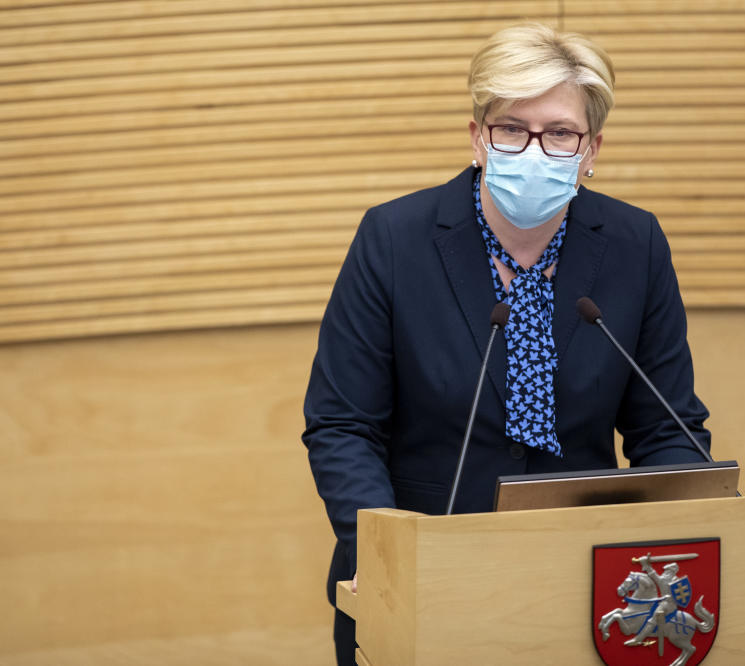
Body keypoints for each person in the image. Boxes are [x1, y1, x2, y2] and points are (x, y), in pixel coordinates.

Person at [302, 23, 711, 665]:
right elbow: (342, 424)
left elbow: (666, 427)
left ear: (591, 148)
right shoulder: (394, 238)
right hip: (423, 581)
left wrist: (670, 542)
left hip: (589, 591)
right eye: (511, 129)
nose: (533, 149)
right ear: (477, 137)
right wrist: (384, 551)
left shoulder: (636, 244)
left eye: (559, 134)